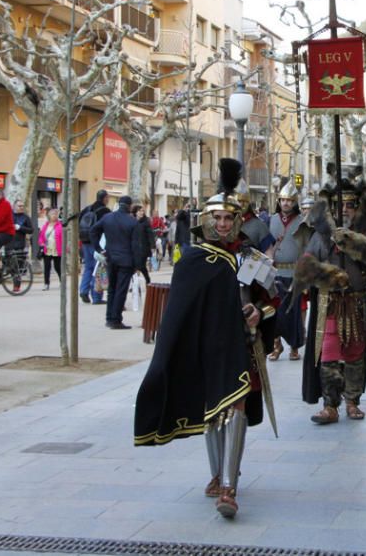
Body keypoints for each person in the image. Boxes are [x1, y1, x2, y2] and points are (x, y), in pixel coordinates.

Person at [134, 159, 269, 518]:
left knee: (236, 407)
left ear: (238, 220)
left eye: (229, 218)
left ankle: (229, 485)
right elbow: (181, 311)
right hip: (207, 347)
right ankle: (216, 474)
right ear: (207, 220)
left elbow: (273, 301)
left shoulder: (250, 257)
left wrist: (259, 312)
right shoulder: (193, 260)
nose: (223, 224)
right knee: (214, 410)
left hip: (242, 346)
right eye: (218, 218)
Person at [297, 176, 366, 425]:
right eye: (340, 205)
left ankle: (352, 401)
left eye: (350, 204)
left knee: (354, 353)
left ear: (358, 206)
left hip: (357, 303)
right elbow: (306, 263)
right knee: (328, 354)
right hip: (329, 302)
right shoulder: (321, 233)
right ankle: (330, 405)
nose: (344, 209)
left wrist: (351, 241)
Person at [268, 180, 306, 361]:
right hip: (274, 274)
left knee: (293, 314)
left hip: (293, 274)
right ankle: (276, 346)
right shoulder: (271, 220)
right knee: (275, 312)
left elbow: (306, 250)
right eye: (283, 200)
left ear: (295, 202)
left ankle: (294, 347)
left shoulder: (301, 222)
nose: (286, 203)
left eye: (289, 200)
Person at [90, 195, 138, 329]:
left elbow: (93, 231)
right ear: (129, 206)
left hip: (110, 257)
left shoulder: (108, 217)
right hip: (126, 259)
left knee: (112, 289)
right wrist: (136, 263)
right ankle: (116, 319)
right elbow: (135, 245)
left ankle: (109, 317)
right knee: (121, 290)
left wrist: (100, 249)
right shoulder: (132, 222)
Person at [79, 190, 110, 304]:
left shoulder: (87, 209)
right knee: (98, 268)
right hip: (97, 242)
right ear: (105, 198)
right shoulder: (105, 211)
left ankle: (83, 289)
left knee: (88, 267)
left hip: (84, 241)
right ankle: (96, 296)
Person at [39, 207, 63, 291]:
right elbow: (41, 236)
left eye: (56, 214)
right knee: (47, 267)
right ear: (49, 215)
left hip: (57, 249)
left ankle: (62, 281)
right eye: (53, 214)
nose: (54, 216)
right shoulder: (45, 225)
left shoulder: (60, 225)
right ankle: (46, 283)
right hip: (47, 248)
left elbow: (63, 237)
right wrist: (41, 243)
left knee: (58, 267)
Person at [130, 204, 154, 285]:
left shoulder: (146, 222)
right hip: (134, 248)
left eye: (143, 211)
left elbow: (150, 235)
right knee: (136, 266)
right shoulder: (132, 221)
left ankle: (147, 280)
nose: (142, 212)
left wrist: (152, 246)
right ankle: (135, 283)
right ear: (135, 212)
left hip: (144, 248)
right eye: (140, 211)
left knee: (140, 265)